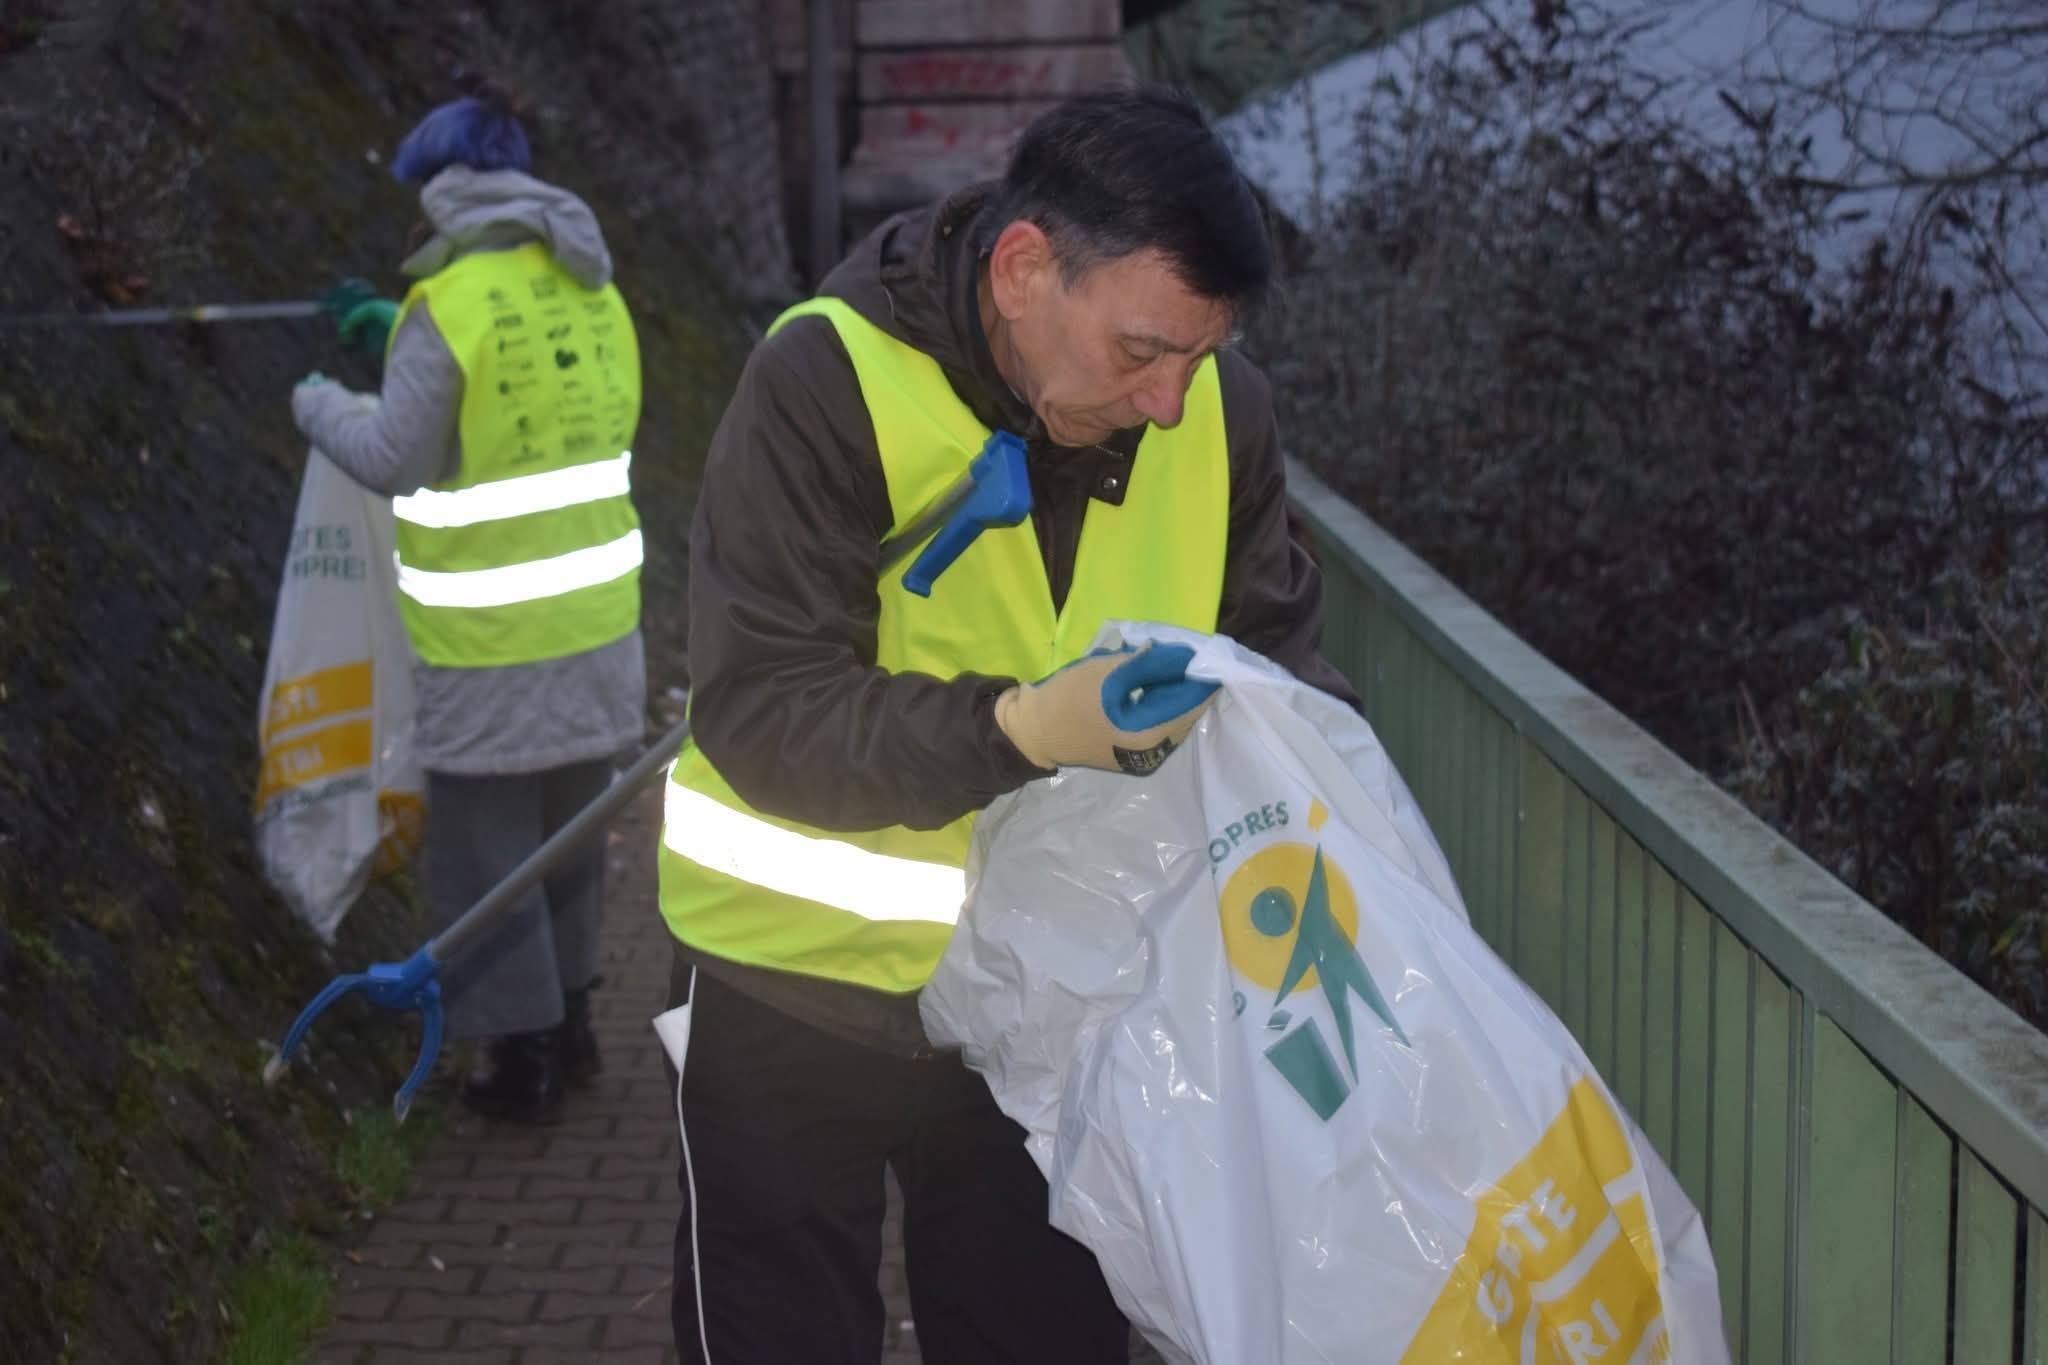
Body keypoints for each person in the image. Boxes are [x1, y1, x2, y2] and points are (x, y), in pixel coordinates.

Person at [658, 86, 1361, 1362]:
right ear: (1024, 267)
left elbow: (1283, 682)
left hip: (1052, 1015)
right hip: (788, 993)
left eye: (1197, 354)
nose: (1167, 400)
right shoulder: (822, 380)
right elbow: (761, 710)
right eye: (1142, 351)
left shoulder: (1220, 414)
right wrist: (1023, 729)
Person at [292, 96, 647, 1123]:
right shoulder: (596, 292)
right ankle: (573, 1027)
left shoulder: (444, 305)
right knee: (570, 836)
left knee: (487, 855)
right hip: (596, 624)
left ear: (443, 191)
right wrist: (389, 350)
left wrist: (320, 400)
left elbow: (394, 458)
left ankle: (517, 1059)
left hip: (491, 643)